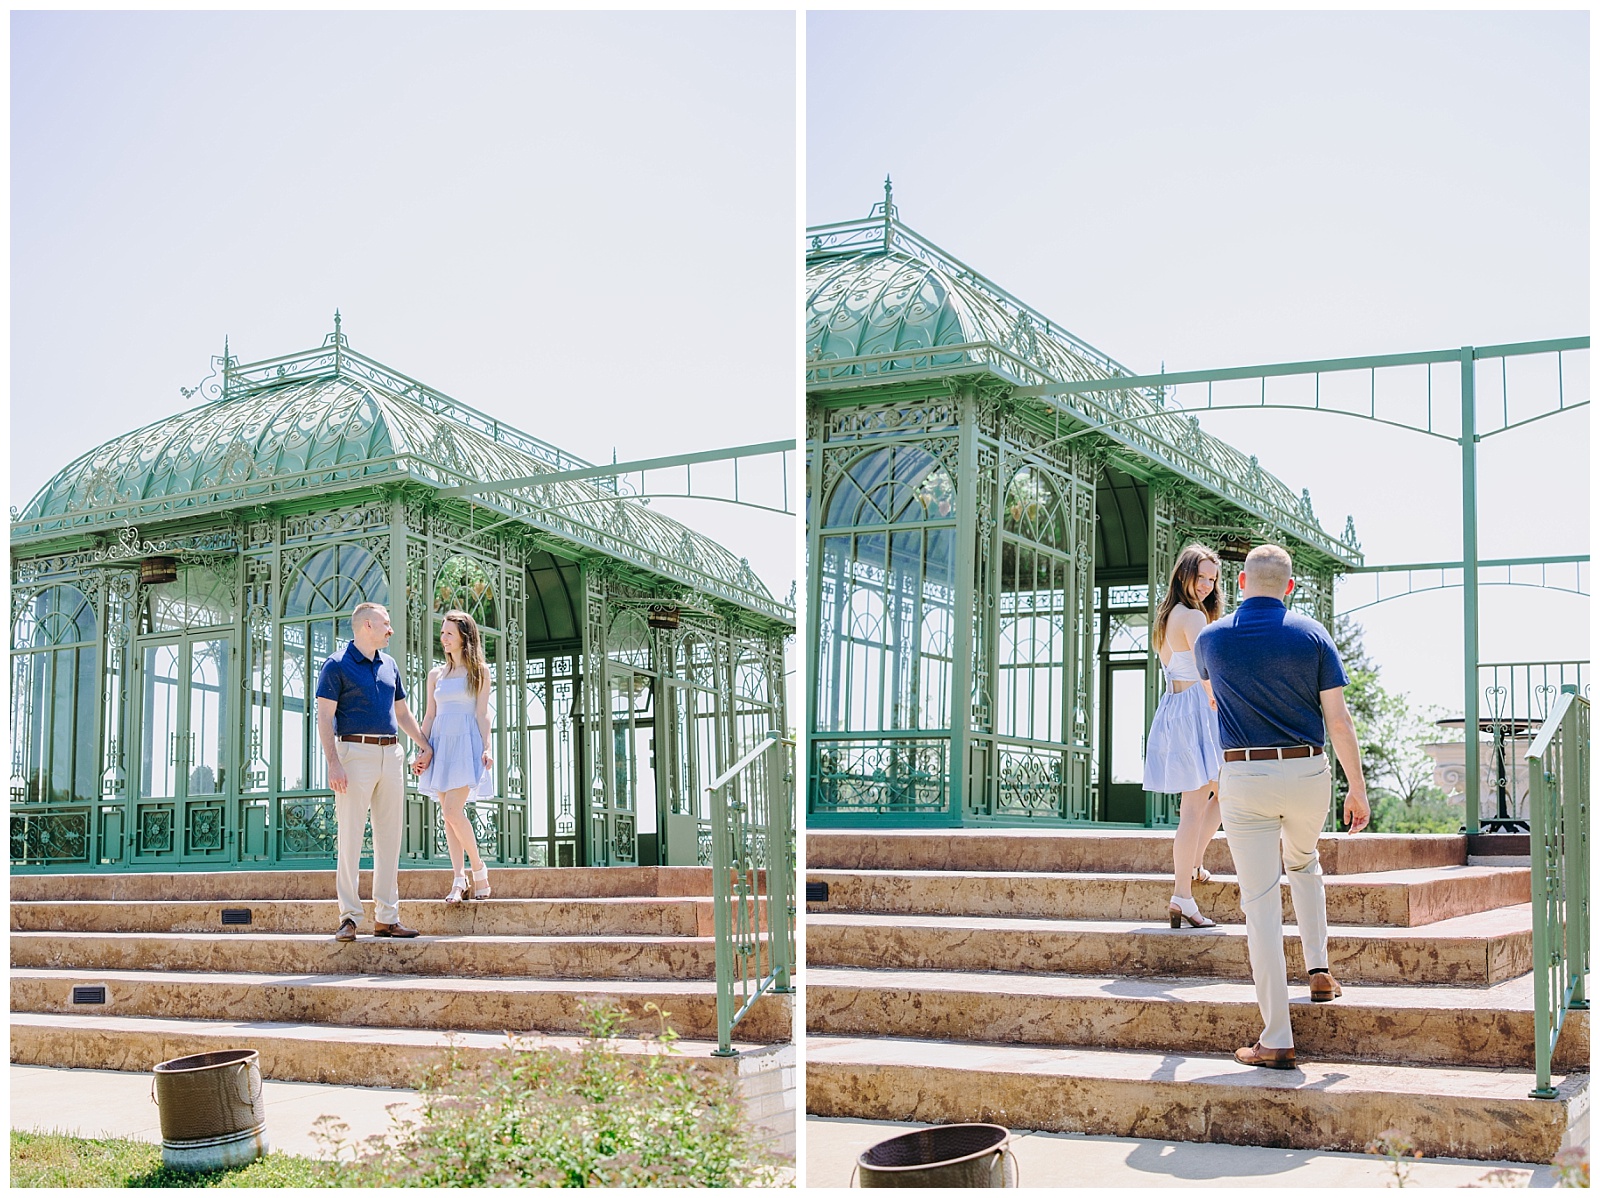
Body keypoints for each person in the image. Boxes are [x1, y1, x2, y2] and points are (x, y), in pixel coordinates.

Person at [1193, 544, 1370, 1070]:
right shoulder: (1313, 635)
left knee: (1260, 903)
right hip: (1309, 773)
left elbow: (1212, 700)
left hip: (1245, 773)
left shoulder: (1210, 639)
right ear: (1289, 587)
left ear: (1242, 583)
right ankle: (1319, 971)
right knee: (1304, 862)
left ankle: (1277, 1036)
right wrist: (1356, 788)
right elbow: (1338, 720)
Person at [316, 601, 433, 942]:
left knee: (389, 839)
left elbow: (402, 713)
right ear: (367, 625)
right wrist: (333, 762)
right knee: (350, 838)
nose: (390, 628)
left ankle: (386, 918)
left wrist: (423, 744)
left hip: (391, 754)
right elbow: (325, 717)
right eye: (386, 622)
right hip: (353, 754)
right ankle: (349, 918)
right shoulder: (336, 665)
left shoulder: (390, 665)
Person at [1142, 544, 1226, 929]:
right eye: (1202, 577)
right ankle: (1182, 893)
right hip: (1197, 708)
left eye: (1213, 579)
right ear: (1182, 575)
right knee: (1200, 803)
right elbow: (1208, 672)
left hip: (1176, 707)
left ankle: (1192, 865)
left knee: (1218, 792)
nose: (1208, 585)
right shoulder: (1192, 617)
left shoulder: (1166, 616)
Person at [414, 609, 495, 903]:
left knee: (452, 811)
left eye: (449, 633)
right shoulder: (435, 675)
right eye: (442, 633)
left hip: (466, 744)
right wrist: (422, 748)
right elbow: (429, 715)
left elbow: (483, 713)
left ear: (464, 636)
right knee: (447, 817)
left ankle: (479, 869)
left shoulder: (480, 672)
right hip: (440, 745)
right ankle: (458, 879)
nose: (443, 638)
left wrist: (487, 747)